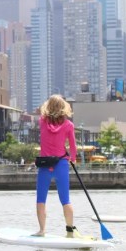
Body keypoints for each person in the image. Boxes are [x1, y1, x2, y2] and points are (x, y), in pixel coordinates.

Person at [33, 94, 81, 238]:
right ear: (63, 107)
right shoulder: (69, 125)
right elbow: (73, 147)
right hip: (61, 164)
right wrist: (73, 159)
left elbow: (41, 113)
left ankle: (42, 231)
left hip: (44, 165)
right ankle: (69, 231)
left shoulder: (42, 121)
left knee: (41, 199)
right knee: (65, 200)